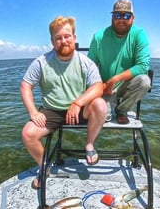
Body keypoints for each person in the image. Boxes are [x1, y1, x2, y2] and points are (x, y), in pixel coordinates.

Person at [20, 16, 107, 189]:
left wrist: (77, 103)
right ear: (52, 41)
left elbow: (98, 87)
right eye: (58, 37)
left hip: (79, 110)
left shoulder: (85, 63)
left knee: (100, 104)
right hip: (51, 111)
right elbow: (25, 86)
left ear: (74, 38)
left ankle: (89, 144)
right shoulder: (41, 62)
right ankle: (45, 167)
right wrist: (33, 112)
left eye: (67, 36)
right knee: (28, 135)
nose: (63, 40)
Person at [88, 0, 151, 124]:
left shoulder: (139, 34)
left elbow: (143, 66)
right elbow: (90, 66)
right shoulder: (98, 37)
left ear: (133, 17)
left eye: (126, 15)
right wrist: (99, 86)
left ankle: (122, 110)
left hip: (124, 86)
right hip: (104, 87)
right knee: (103, 117)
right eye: (117, 15)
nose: (121, 19)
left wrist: (115, 79)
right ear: (112, 17)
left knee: (144, 81)